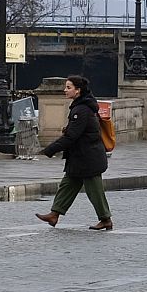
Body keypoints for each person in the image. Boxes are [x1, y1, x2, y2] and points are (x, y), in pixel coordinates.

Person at [34, 75, 113, 231]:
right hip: (81, 157)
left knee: (95, 191)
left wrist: (50, 150)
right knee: (67, 185)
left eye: (68, 87)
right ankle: (54, 214)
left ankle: (105, 219)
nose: (65, 90)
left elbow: (71, 136)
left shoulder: (81, 110)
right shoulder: (81, 106)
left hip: (88, 158)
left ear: (78, 91)